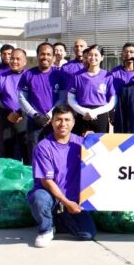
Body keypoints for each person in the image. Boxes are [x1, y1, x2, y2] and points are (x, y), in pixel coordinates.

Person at [27, 105, 96, 248]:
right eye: (58, 120)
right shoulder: (43, 147)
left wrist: (94, 139)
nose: (63, 124)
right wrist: (66, 202)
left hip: (74, 198)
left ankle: (58, 220)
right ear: (52, 122)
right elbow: (47, 182)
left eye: (67, 120)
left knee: (87, 234)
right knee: (39, 198)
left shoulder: (82, 144)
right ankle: (46, 229)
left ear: (73, 123)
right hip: (51, 195)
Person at [18, 43, 68, 162]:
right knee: (34, 158)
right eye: (42, 54)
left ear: (53, 57)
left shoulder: (59, 75)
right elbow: (21, 98)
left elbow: (62, 98)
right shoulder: (28, 74)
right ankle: (35, 180)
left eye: (48, 54)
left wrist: (49, 115)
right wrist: (35, 115)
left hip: (55, 123)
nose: (45, 57)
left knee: (55, 157)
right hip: (34, 122)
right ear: (37, 55)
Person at [67, 45, 116, 136]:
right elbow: (70, 98)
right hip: (82, 114)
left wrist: (95, 112)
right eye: (90, 55)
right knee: (79, 145)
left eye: (96, 55)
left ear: (102, 58)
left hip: (101, 114)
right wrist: (83, 111)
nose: (93, 57)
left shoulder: (108, 76)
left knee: (100, 145)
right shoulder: (77, 76)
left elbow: (112, 101)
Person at [0, 48, 28, 163]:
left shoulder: (30, 76)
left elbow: (34, 98)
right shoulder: (0, 77)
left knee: (26, 153)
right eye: (12, 58)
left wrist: (20, 113)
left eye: (18, 59)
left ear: (25, 61)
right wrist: (8, 114)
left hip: (24, 119)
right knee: (5, 154)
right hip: (6, 119)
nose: (14, 61)